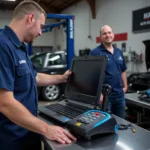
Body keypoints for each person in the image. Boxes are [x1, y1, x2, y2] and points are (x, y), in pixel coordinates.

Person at [0, 1, 76, 150]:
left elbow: (33, 77)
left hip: (28, 133)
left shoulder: (20, 47)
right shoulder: (3, 46)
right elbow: (4, 103)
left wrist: (61, 78)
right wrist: (46, 128)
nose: (41, 32)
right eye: (41, 26)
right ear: (30, 18)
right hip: (12, 140)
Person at [89, 25, 128, 118]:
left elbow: (123, 70)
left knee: (121, 122)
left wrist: (125, 87)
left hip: (120, 96)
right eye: (104, 33)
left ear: (113, 34)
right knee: (106, 123)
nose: (107, 35)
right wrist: (99, 94)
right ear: (101, 37)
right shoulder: (95, 53)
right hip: (105, 97)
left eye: (109, 32)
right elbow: (91, 76)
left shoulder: (119, 52)